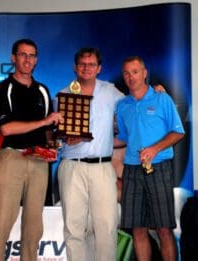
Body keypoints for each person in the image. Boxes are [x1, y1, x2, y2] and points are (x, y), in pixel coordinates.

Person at [0, 38, 63, 261]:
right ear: (13, 58)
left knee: (33, 225)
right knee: (1, 221)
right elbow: (7, 129)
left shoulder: (42, 90)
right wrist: (44, 121)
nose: (27, 59)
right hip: (13, 158)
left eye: (31, 55)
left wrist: (52, 147)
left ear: (36, 60)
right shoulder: (4, 89)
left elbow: (49, 131)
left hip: (39, 160)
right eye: (23, 54)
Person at [55, 47, 125, 261]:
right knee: (74, 229)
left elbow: (134, 106)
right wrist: (63, 138)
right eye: (82, 64)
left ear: (99, 68)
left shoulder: (111, 92)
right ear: (75, 67)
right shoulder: (63, 95)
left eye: (91, 64)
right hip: (71, 167)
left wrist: (154, 92)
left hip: (103, 167)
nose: (87, 68)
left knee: (106, 228)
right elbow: (54, 136)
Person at [115, 56, 185, 261]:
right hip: (132, 171)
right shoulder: (122, 105)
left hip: (159, 167)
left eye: (135, 71)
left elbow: (178, 132)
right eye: (126, 73)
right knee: (137, 229)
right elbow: (124, 138)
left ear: (144, 73)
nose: (130, 77)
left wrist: (155, 149)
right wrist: (93, 143)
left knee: (163, 229)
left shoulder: (162, 99)